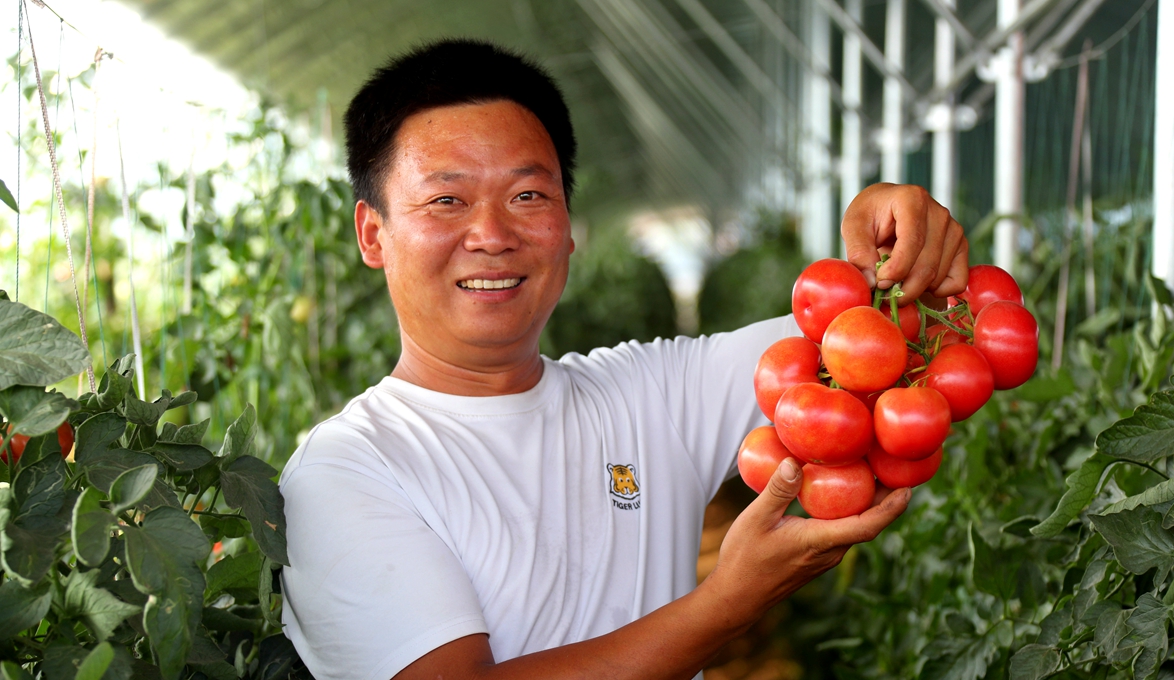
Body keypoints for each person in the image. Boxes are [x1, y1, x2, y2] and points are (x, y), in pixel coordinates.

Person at [279, 39, 967, 680]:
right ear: (374, 233)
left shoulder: (651, 394)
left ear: (569, 227)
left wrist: (891, 237)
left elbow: (889, 334)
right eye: (446, 200)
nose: (490, 234)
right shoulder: (346, 471)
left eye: (527, 196)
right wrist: (729, 601)